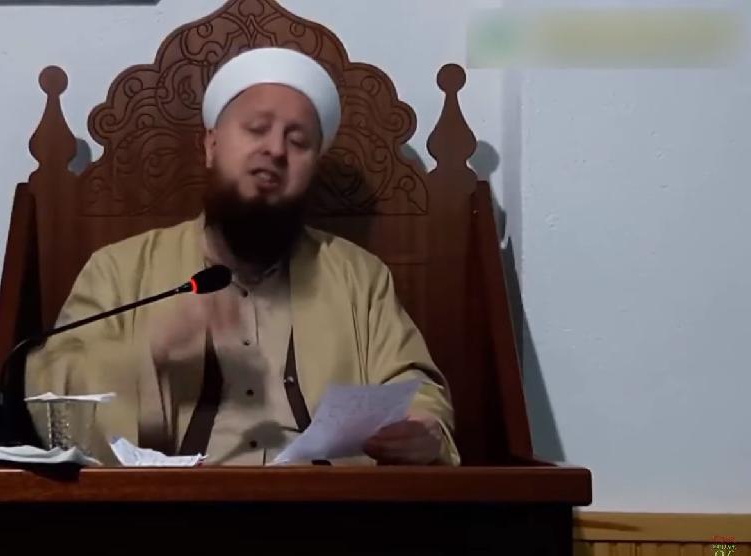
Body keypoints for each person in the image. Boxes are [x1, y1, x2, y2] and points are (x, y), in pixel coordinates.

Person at [25, 47, 460, 466]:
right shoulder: (120, 269)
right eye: (256, 129)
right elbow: (53, 386)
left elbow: (413, 385)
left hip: (327, 503)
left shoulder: (359, 276)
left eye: (298, 140)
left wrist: (423, 429)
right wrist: (150, 350)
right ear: (211, 145)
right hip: (168, 506)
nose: (276, 150)